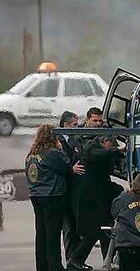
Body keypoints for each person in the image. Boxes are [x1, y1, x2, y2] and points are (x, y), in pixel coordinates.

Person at [67, 136, 125, 270]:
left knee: (102, 230)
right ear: (105, 141)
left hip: (97, 197)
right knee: (97, 231)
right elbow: (100, 155)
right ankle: (79, 260)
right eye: (111, 145)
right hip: (89, 200)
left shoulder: (99, 151)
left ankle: (103, 260)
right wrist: (117, 149)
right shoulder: (92, 147)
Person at [25, 124, 70, 271]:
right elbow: (66, 166)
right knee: (53, 233)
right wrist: (61, 149)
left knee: (41, 233)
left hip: (36, 195)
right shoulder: (51, 152)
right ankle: (54, 266)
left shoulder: (31, 154)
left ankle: (42, 266)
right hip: (52, 195)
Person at [58, 111, 86, 267]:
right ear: (65, 125)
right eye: (74, 125)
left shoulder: (77, 140)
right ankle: (70, 260)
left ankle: (77, 260)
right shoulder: (57, 140)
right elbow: (58, 160)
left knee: (77, 227)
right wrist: (70, 169)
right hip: (63, 189)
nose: (77, 128)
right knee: (68, 227)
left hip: (76, 189)